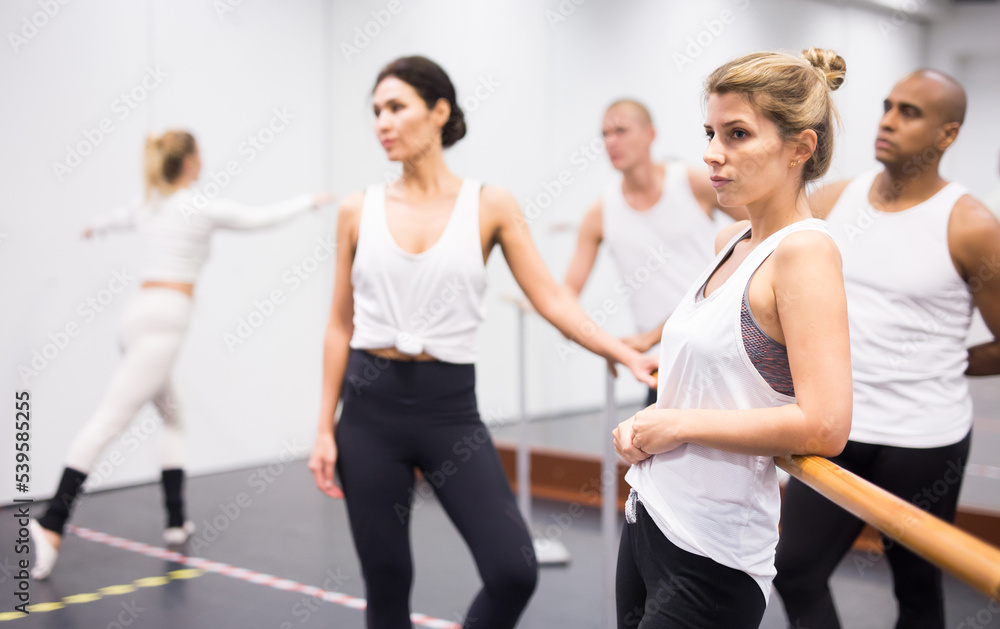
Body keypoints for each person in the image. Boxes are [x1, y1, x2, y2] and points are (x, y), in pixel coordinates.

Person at [306, 56, 658, 629]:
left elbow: (553, 298)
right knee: (387, 583)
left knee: (512, 570)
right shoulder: (357, 210)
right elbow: (338, 325)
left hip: (449, 413)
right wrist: (324, 427)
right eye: (376, 112)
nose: (382, 123)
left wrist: (621, 352)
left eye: (396, 107)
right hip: (368, 413)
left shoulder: (490, 204)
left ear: (439, 111)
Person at [612, 48, 853, 628]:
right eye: (711, 132)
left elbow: (826, 425)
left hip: (711, 556)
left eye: (737, 134)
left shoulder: (803, 253)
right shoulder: (732, 238)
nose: (712, 153)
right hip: (651, 518)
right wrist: (648, 422)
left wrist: (675, 424)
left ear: (801, 148)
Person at [29, 130, 333, 580]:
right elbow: (259, 218)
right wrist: (310, 200)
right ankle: (52, 523)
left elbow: (117, 218)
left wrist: (94, 227)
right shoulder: (199, 206)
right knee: (109, 421)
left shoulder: (149, 206)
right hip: (163, 323)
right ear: (190, 162)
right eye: (200, 153)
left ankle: (175, 521)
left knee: (173, 417)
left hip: (135, 319)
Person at [774, 69, 1000, 629]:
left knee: (918, 591)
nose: (888, 121)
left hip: (924, 441)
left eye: (910, 112)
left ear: (947, 135)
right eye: (887, 105)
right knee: (793, 568)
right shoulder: (834, 198)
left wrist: (945, 360)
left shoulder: (971, 226)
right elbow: (751, 214)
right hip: (837, 425)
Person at [563, 99, 747, 405]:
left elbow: (763, 233)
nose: (611, 141)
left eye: (620, 130)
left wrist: (654, 334)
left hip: (721, 358)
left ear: (650, 134)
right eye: (605, 134)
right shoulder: (600, 212)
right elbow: (565, 296)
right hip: (662, 368)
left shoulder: (692, 183)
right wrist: (607, 344)